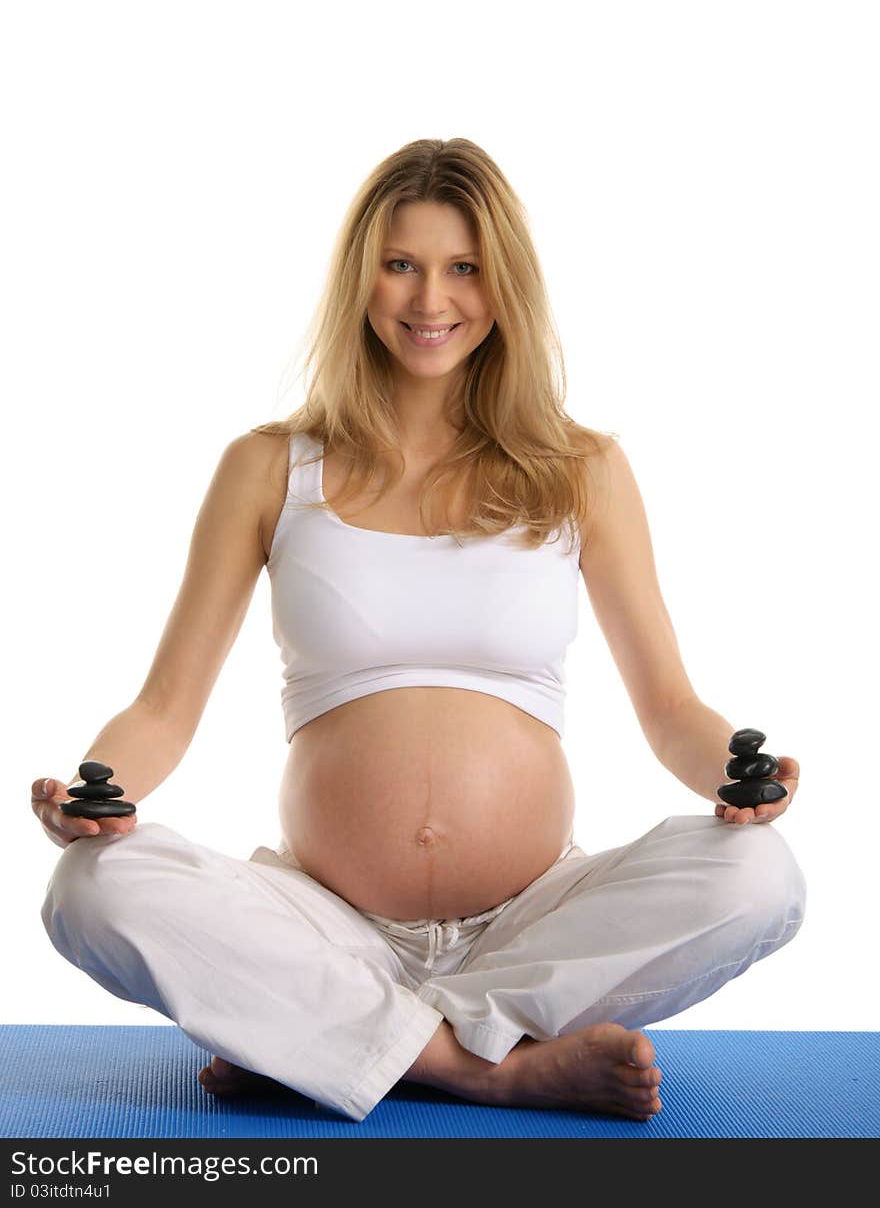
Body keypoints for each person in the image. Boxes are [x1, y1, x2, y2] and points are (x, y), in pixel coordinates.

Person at [33, 137, 806, 1124]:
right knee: (90, 891)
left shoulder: (583, 468)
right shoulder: (270, 468)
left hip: (534, 924)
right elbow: (164, 707)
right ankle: (488, 1065)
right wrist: (98, 797)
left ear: (503, 285)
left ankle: (331, 1041)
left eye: (462, 268)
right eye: (400, 264)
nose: (429, 300)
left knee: (760, 879)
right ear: (362, 276)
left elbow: (669, 708)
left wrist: (738, 778)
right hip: (326, 920)